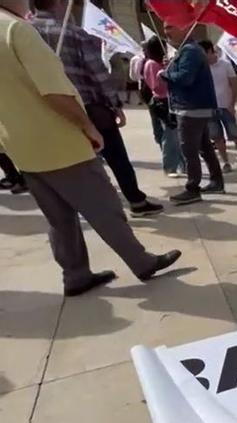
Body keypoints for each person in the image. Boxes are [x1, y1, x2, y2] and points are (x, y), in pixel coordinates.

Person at [0, 0, 180, 295]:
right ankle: (141, 261)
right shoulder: (19, 31)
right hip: (58, 139)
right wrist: (88, 124)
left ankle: (75, 275)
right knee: (104, 205)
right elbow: (55, 91)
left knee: (58, 218)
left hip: (22, 146)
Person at [31, 0, 163, 217]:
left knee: (73, 162)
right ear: (59, 4)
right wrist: (114, 103)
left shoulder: (23, 32)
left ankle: (87, 206)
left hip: (47, 108)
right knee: (116, 157)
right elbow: (98, 72)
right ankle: (136, 201)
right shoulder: (74, 34)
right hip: (88, 107)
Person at [161, 21, 225, 205]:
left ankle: (192, 188)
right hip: (196, 107)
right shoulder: (188, 50)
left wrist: (166, 74)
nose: (166, 32)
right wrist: (172, 66)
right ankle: (216, 181)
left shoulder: (189, 50)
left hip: (191, 108)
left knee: (189, 149)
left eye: (170, 27)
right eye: (165, 28)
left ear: (183, 27)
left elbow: (185, 78)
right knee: (204, 146)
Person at [199, 40, 237, 176]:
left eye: (202, 52)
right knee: (217, 138)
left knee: (236, 136)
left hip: (226, 107)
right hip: (210, 109)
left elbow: (234, 85)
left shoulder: (225, 65)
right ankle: (226, 163)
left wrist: (232, 104)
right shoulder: (202, 68)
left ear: (209, 51)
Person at [142, 36, 185, 178]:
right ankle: (170, 167)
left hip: (169, 100)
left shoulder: (160, 63)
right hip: (162, 102)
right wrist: (164, 73)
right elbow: (156, 86)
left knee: (175, 135)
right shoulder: (152, 64)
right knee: (170, 135)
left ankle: (181, 164)